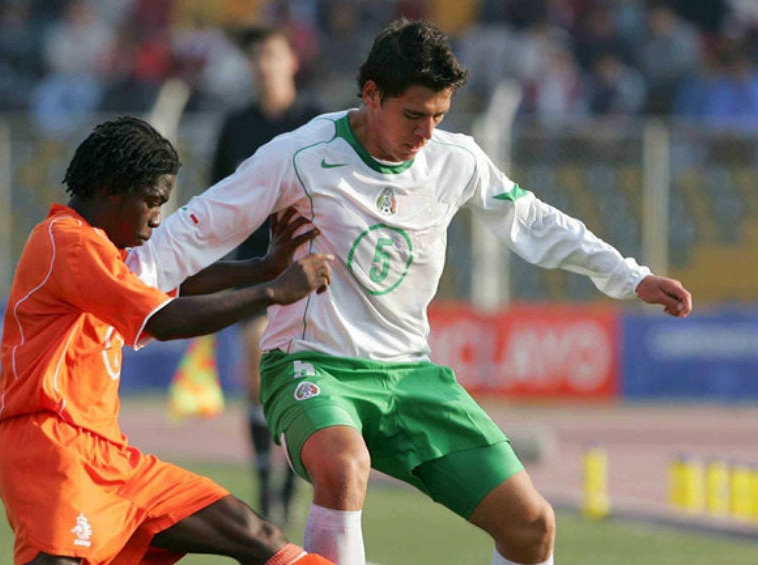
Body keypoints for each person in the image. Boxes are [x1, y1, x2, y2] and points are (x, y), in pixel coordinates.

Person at [127, 18, 693, 565]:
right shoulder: (298, 155)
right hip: (310, 366)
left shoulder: (456, 158)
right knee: (345, 466)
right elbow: (197, 226)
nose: (426, 134)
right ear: (371, 95)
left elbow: (534, 220)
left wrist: (631, 276)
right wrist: (114, 285)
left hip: (411, 375)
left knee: (532, 525)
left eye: (439, 116)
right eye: (414, 115)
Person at [0, 116, 339, 565]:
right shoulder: (67, 242)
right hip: (50, 446)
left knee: (255, 534)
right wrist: (273, 291)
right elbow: (167, 319)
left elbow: (179, 283)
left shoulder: (103, 252)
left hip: (110, 454)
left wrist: (262, 268)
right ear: (113, 188)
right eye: (152, 201)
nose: (157, 217)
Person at [211, 24, 323, 527]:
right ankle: (264, 482)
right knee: (255, 367)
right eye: (256, 56)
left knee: (309, 377)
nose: (263, 65)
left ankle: (291, 479)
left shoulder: (314, 122)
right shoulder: (235, 126)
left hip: (310, 267)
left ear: (291, 61)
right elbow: (217, 200)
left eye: (272, 55)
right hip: (256, 268)